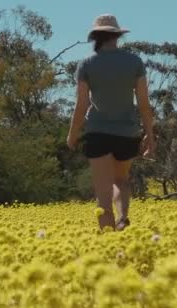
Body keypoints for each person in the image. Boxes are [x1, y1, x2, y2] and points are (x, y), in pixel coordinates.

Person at [67, 14, 156, 232]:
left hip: (97, 133)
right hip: (127, 132)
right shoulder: (134, 62)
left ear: (96, 36)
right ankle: (123, 218)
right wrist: (150, 136)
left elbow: (82, 104)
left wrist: (73, 134)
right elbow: (144, 104)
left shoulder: (87, 64)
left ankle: (108, 241)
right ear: (117, 35)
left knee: (102, 194)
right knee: (121, 180)